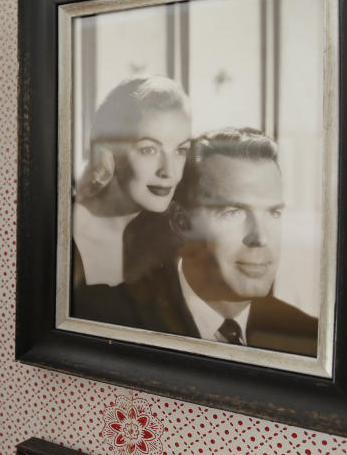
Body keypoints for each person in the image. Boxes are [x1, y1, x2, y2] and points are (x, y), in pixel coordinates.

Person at [91, 127, 318, 357]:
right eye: (232, 212)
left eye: (274, 213)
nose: (260, 237)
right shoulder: (107, 319)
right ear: (182, 223)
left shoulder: (307, 339)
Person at [71, 75, 191, 309]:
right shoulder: (63, 231)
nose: (169, 172)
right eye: (149, 149)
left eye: (180, 150)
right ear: (107, 150)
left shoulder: (174, 236)